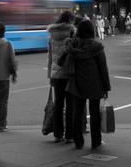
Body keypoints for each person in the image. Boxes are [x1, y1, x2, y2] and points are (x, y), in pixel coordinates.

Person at [64, 20, 111, 150]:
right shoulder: (96, 47)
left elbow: (62, 61)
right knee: (95, 113)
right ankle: (96, 142)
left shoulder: (73, 45)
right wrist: (106, 87)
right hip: (94, 83)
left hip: (76, 83)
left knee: (77, 113)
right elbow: (103, 68)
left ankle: (78, 141)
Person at [47, 11, 76, 143]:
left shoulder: (51, 35)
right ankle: (69, 135)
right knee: (70, 105)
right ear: (70, 20)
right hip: (69, 73)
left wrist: (49, 74)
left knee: (58, 104)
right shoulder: (72, 33)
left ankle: (58, 134)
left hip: (56, 74)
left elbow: (50, 57)